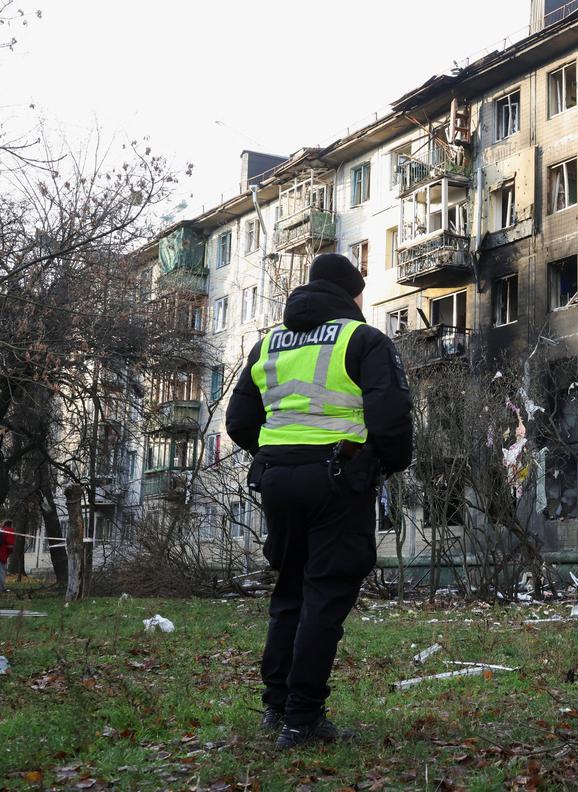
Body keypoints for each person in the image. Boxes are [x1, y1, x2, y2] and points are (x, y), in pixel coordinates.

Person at [226, 253, 413, 749]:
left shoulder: (269, 344)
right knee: (325, 595)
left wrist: (279, 454)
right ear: (352, 295)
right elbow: (391, 416)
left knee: (290, 589)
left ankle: (276, 707)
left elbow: (238, 422)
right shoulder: (363, 339)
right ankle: (303, 717)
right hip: (337, 478)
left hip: (277, 479)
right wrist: (383, 464)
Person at [0, 519, 14, 593]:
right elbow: (10, 546)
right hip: (2, 555)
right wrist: (8, 554)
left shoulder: (1, 531)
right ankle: (1, 588)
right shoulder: (9, 531)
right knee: (1, 572)